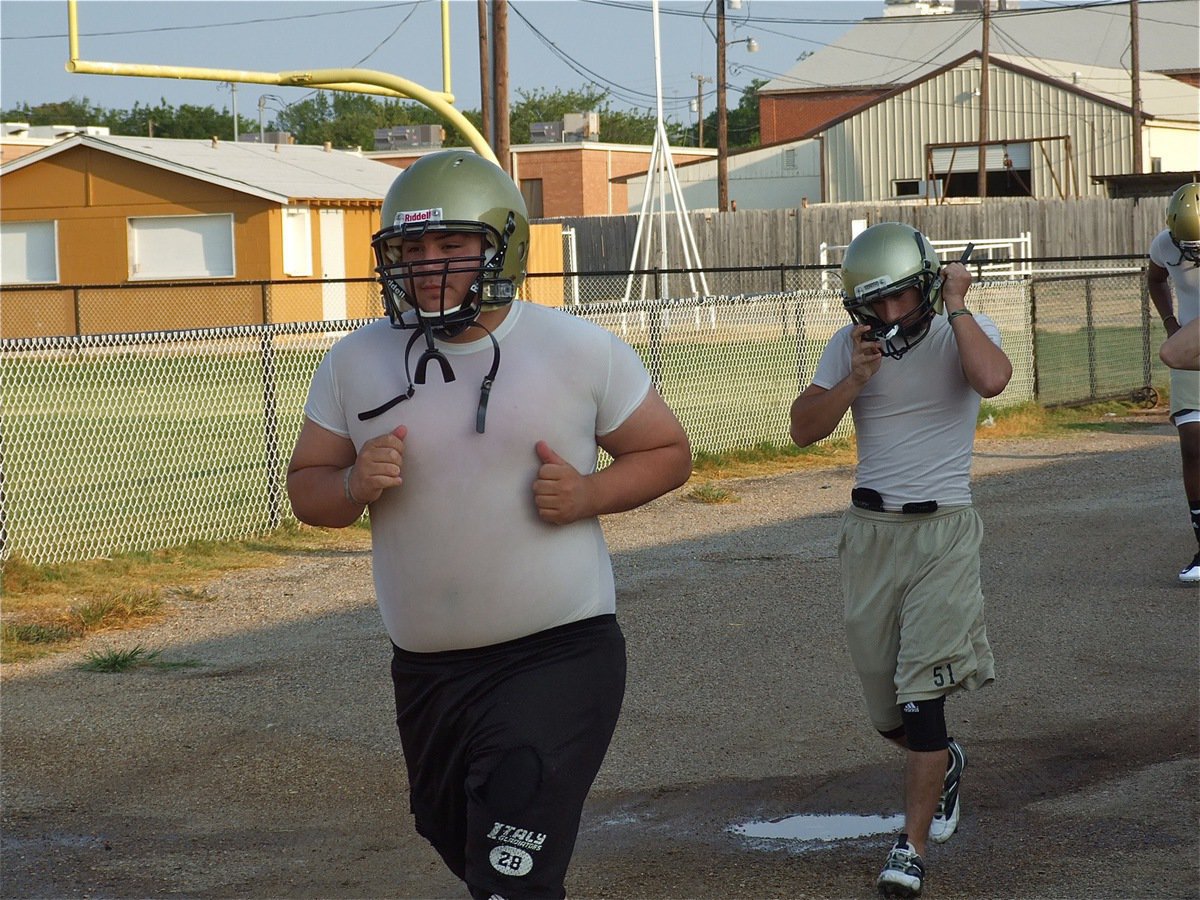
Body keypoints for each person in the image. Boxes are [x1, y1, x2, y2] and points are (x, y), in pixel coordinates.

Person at [286, 150, 692, 899]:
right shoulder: (357, 360)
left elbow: (668, 451)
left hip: (558, 655)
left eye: (451, 246)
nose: (428, 265)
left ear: (500, 245)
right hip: (429, 674)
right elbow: (307, 490)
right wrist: (349, 482)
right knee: (464, 844)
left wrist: (589, 494)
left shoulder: (577, 348)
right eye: (411, 249)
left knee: (512, 875)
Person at [789, 222, 1012, 898]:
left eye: (902, 298)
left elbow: (993, 380)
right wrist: (854, 379)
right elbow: (803, 428)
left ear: (929, 284)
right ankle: (941, 763)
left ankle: (909, 849)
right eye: (876, 303)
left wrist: (959, 304)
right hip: (869, 534)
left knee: (922, 702)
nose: (891, 315)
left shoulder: (962, 328)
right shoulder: (852, 348)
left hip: (941, 531)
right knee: (887, 711)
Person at [1147, 181, 1200, 583]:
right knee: (1193, 446)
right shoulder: (1165, 245)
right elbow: (1155, 280)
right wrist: (1170, 324)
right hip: (1189, 353)